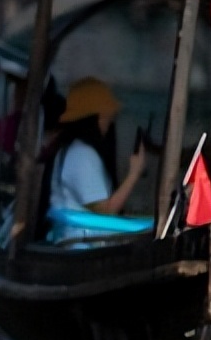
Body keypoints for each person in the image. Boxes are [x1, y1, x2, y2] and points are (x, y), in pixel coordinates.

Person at [45, 77, 147, 240]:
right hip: (81, 245)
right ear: (94, 119)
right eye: (106, 118)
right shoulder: (82, 155)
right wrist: (134, 173)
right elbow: (106, 211)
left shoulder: (73, 149)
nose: (109, 124)